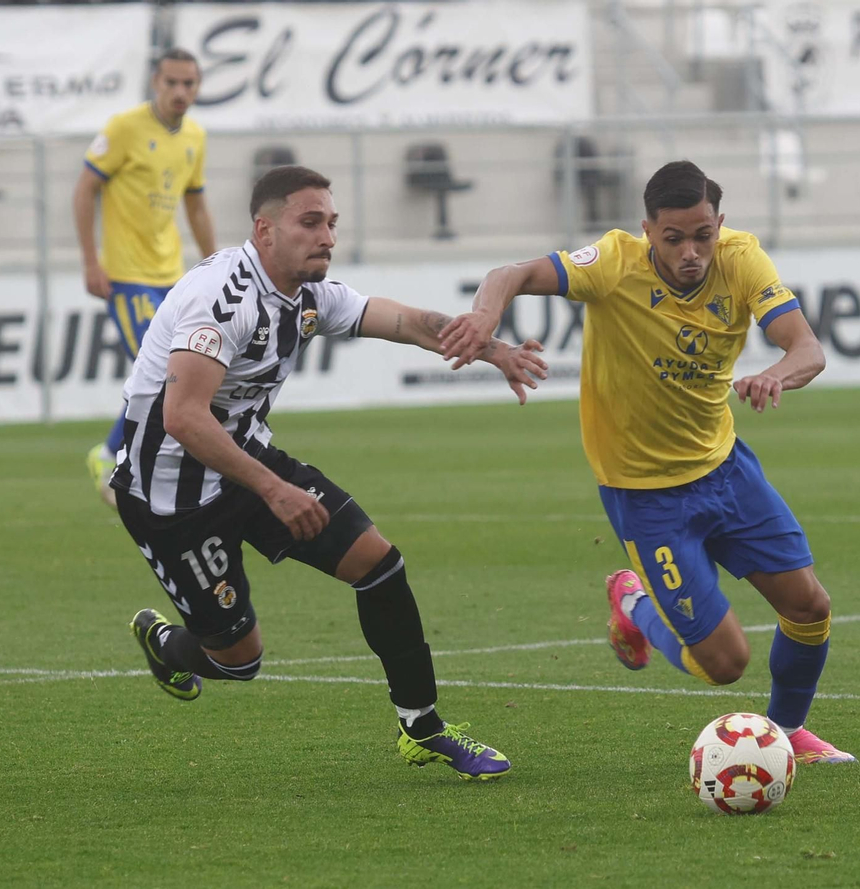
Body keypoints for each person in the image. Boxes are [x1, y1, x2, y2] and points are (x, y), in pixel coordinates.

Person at [114, 165, 546, 780]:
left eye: (332, 223)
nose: (326, 237)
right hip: (169, 496)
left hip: (246, 460)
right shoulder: (222, 300)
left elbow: (407, 323)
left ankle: (421, 727)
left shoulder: (308, 295)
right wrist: (274, 488)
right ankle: (167, 646)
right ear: (264, 231)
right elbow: (183, 417)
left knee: (379, 564)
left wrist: (492, 349)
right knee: (237, 660)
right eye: (310, 222)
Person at [440, 160, 854, 764]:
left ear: (720, 224)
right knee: (724, 665)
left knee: (810, 607)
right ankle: (632, 602)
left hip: (724, 470)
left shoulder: (741, 261)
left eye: (703, 235)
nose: (692, 252)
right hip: (646, 496)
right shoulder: (613, 264)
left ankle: (787, 732)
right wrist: (485, 315)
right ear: (647, 230)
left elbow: (807, 348)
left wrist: (774, 376)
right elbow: (511, 273)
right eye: (674, 238)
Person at [77, 48, 218, 507]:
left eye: (189, 84)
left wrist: (216, 265)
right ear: (155, 83)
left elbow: (195, 203)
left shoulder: (195, 136)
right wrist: (90, 262)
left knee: (173, 375)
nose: (180, 92)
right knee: (161, 373)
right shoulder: (123, 128)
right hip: (125, 275)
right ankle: (110, 454)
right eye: (171, 83)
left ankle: (128, 458)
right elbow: (84, 190)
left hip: (170, 276)